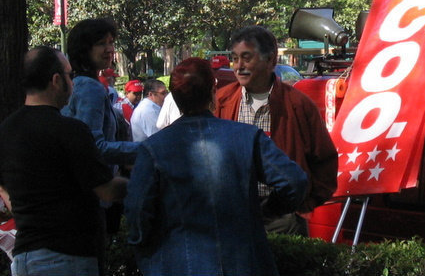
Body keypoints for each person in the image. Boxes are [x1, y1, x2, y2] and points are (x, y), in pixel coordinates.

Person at [124, 58, 307, 276]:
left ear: (174, 97)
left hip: (180, 263)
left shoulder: (153, 149)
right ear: (213, 90)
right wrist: (265, 211)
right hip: (245, 262)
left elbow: (137, 212)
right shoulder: (247, 137)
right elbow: (294, 182)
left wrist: (146, 249)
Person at [0, 47, 128, 276]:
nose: (73, 82)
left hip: (24, 257)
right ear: (56, 80)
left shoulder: (6, 130)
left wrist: (26, 212)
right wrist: (146, 177)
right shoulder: (70, 131)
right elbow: (106, 190)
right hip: (67, 256)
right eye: (70, 75)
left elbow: (3, 186)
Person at [215, 26, 338, 235]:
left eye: (247, 58)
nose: (239, 66)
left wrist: (305, 205)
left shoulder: (298, 104)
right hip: (234, 215)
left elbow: (325, 160)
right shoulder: (222, 101)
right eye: (235, 59)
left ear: (271, 60)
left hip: (283, 220)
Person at [61, 18, 140, 166]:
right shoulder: (89, 87)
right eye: (101, 43)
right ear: (84, 49)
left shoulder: (78, 82)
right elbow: (93, 147)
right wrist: (148, 149)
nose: (109, 49)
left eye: (111, 42)